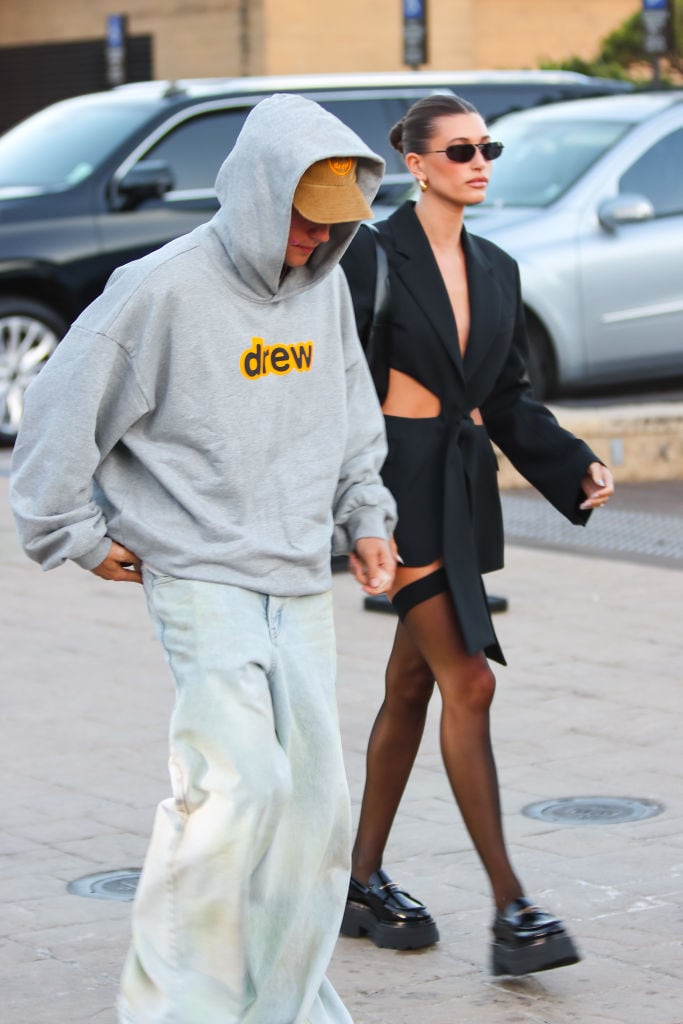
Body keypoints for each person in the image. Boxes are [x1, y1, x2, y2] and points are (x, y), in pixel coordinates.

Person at [10, 93, 398, 1024]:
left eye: (333, 228)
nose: (314, 242)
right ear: (262, 192)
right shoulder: (161, 287)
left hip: (300, 574)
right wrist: (75, 536)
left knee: (312, 815)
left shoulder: (326, 286)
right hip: (198, 573)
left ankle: (284, 1007)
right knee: (235, 793)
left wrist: (366, 517)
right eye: (304, 223)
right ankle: (172, 1009)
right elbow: (56, 413)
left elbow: (351, 418)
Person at [339, 93, 615, 977]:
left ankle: (360, 879)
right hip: (394, 487)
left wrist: (570, 463)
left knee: (412, 686)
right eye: (459, 150)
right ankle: (510, 907)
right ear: (414, 165)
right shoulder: (371, 257)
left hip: (458, 487)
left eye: (485, 147)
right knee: (467, 682)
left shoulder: (497, 266)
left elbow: (502, 396)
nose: (478, 162)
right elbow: (331, 386)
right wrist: (346, 512)